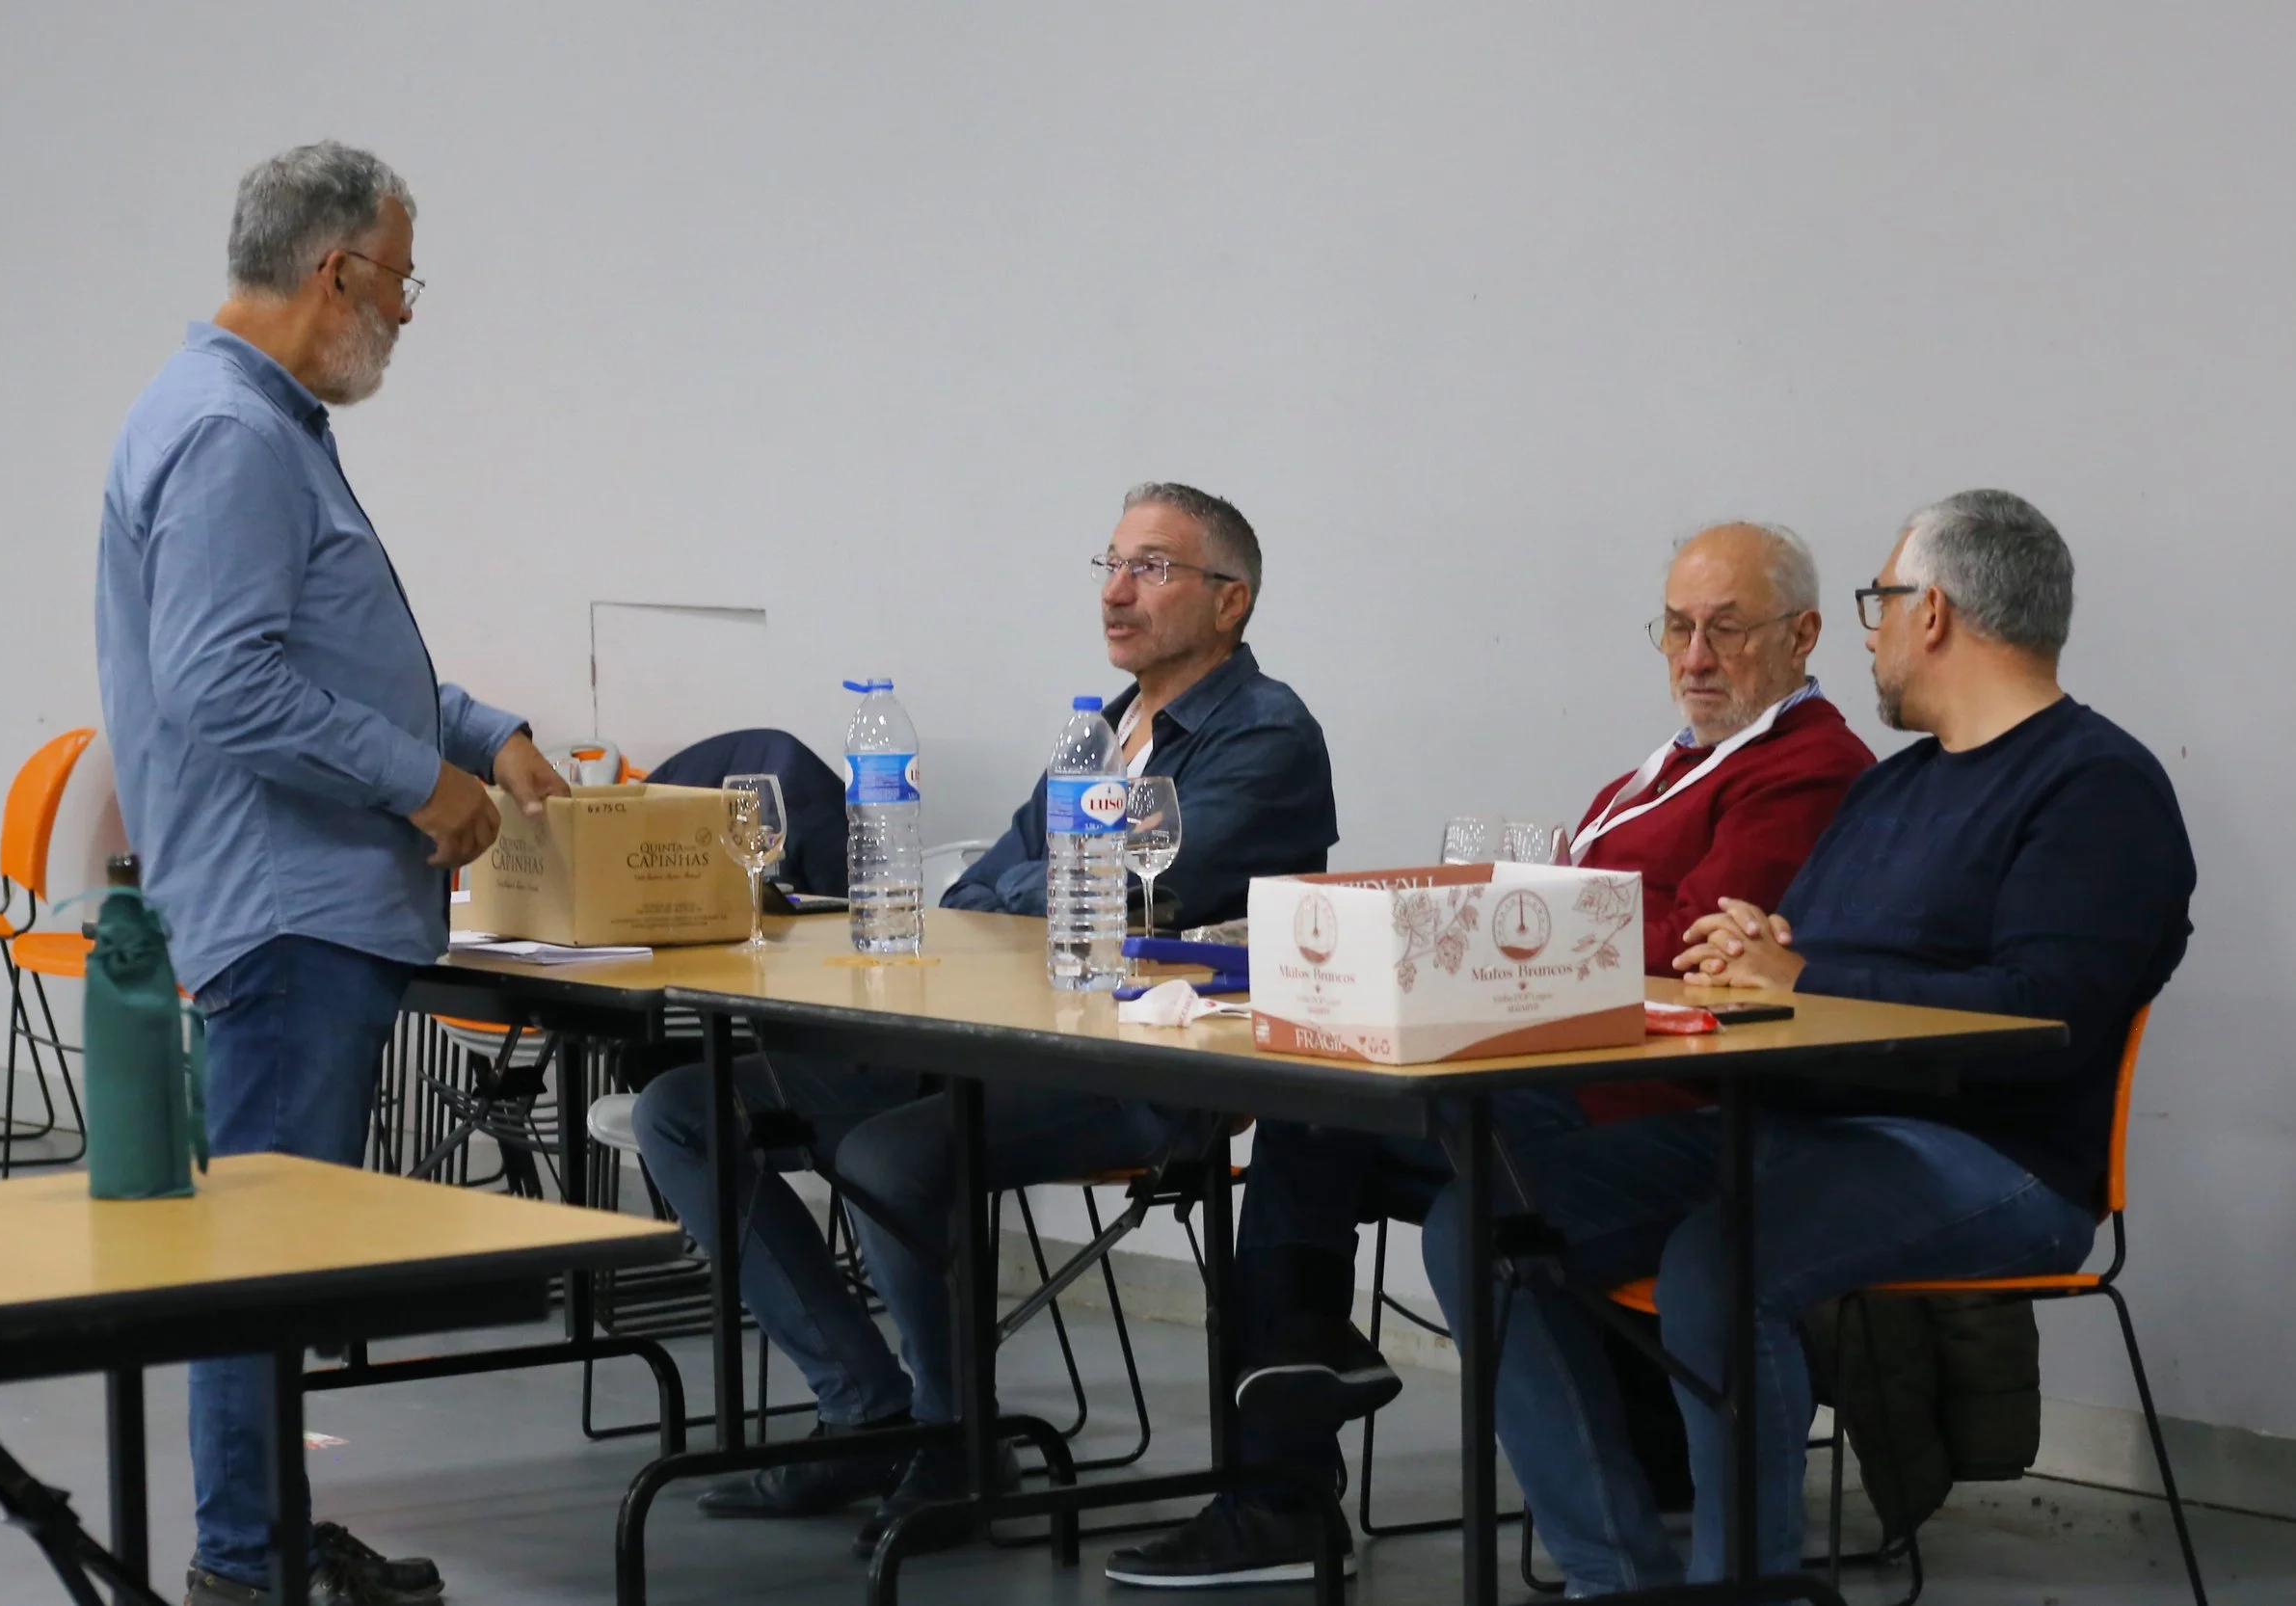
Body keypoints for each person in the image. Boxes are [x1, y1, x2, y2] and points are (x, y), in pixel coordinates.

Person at [1408, 489, 2195, 1594]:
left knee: (1717, 1266)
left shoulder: (2095, 786)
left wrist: (1802, 971)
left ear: (1934, 614)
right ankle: (1616, 1576)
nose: (1869, 632)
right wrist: (1757, 946)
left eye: (1880, 602)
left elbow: (2042, 1014)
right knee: (1481, 1220)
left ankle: (1742, 1583)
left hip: (1997, 1158)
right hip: (1798, 1120)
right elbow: (1798, 943)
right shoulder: (1900, 786)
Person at [1107, 521, 1878, 1588]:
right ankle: (1295, 1403)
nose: (1693, 657)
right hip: (1558, 1078)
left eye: (1726, 630)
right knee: (1316, 1104)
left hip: (1648, 1105)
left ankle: (1282, 1475)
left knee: (1343, 1124)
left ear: (1802, 636)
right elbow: (1584, 914)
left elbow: (1698, 949)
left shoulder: (1804, 768)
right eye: (1675, 628)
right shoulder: (1664, 767)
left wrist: (1533, 926)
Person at [630, 482, 1337, 1556]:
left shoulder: (1268, 733)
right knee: (682, 1107)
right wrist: (1043, 883)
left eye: (1150, 568)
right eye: (1108, 562)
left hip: (1154, 1070)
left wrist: (1043, 883)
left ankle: (958, 1438)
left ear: (1229, 601)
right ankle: (867, 1409)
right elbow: (1000, 885)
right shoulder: (1100, 732)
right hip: (999, 1039)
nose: (1114, 591)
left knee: (889, 1155)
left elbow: (1144, 884)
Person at [96, 142, 569, 1606]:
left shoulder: (252, 421)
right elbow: (225, 681)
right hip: (289, 911)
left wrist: (492, 735)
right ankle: (246, 1562)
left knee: (281, 1253)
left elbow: (331, 655)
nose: (411, 310)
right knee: (264, 1257)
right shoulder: (234, 435)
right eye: (405, 275)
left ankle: (273, 1536)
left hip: (304, 905)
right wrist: (421, 780)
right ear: (337, 270)